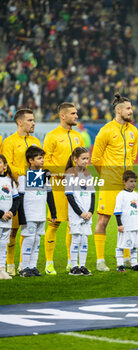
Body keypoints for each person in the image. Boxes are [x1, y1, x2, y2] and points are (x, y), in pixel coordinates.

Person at [91, 93, 138, 271]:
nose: (131, 111)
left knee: (128, 220)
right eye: (128, 108)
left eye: (131, 107)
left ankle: (127, 257)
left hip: (126, 184)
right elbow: (95, 158)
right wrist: (107, 176)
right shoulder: (106, 130)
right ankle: (100, 260)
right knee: (103, 219)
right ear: (118, 110)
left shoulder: (133, 131)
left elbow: (132, 156)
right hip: (110, 183)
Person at [43, 102, 84, 275]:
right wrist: (65, 172)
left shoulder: (78, 136)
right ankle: (49, 263)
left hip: (75, 187)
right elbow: (44, 163)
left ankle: (71, 262)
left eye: (76, 113)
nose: (76, 116)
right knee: (55, 223)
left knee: (73, 225)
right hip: (58, 187)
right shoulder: (52, 136)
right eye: (73, 113)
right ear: (63, 116)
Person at [2, 108, 41, 276]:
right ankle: (9, 263)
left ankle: (23, 265)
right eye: (30, 120)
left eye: (33, 120)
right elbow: (7, 165)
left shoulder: (36, 141)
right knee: (13, 229)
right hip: (16, 190)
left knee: (29, 228)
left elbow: (40, 164)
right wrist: (25, 174)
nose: (33, 123)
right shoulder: (10, 142)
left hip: (33, 192)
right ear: (20, 122)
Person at [18, 146, 56, 277]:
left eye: (43, 158)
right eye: (39, 158)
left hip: (41, 214)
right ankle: (24, 268)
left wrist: (53, 213)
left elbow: (50, 195)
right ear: (30, 160)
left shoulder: (44, 176)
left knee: (37, 240)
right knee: (29, 239)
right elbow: (20, 198)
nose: (42, 160)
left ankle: (33, 266)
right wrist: (21, 217)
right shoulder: (23, 178)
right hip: (29, 215)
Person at [65, 147, 95, 276]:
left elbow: (93, 194)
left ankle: (82, 265)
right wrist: (80, 213)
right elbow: (70, 196)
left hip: (87, 214)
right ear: (75, 159)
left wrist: (91, 211)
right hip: (77, 214)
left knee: (84, 240)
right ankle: (73, 266)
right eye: (83, 158)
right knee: (76, 239)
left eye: (87, 158)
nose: (85, 161)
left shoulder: (88, 174)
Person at [114, 170, 138, 272]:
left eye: (135, 181)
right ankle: (120, 265)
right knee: (121, 245)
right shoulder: (121, 195)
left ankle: (134, 264)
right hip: (125, 226)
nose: (133, 184)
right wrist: (120, 225)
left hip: (134, 225)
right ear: (124, 182)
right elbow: (117, 211)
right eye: (131, 181)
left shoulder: (136, 195)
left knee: (134, 245)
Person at [0, 155, 19, 280]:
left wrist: (12, 211)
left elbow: (16, 198)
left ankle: (2, 269)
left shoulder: (9, 181)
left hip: (7, 220)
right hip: (1, 217)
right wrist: (1, 214)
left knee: (3, 244)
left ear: (5, 166)